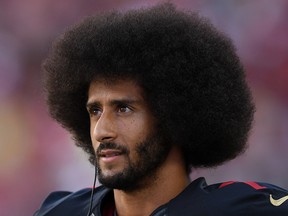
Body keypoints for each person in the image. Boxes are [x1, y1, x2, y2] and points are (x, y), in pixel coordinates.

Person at [34, 3, 288, 216]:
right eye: (95, 111)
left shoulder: (242, 209)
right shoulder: (60, 211)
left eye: (123, 109)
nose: (102, 131)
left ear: (174, 115)